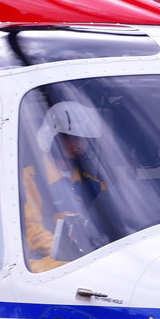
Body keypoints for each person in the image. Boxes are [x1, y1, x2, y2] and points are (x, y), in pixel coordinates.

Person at [21, 101, 109, 273]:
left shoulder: (95, 185)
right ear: (50, 138)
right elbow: (32, 231)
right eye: (71, 138)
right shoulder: (30, 179)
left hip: (92, 262)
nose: (79, 145)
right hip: (45, 268)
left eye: (84, 139)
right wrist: (68, 251)